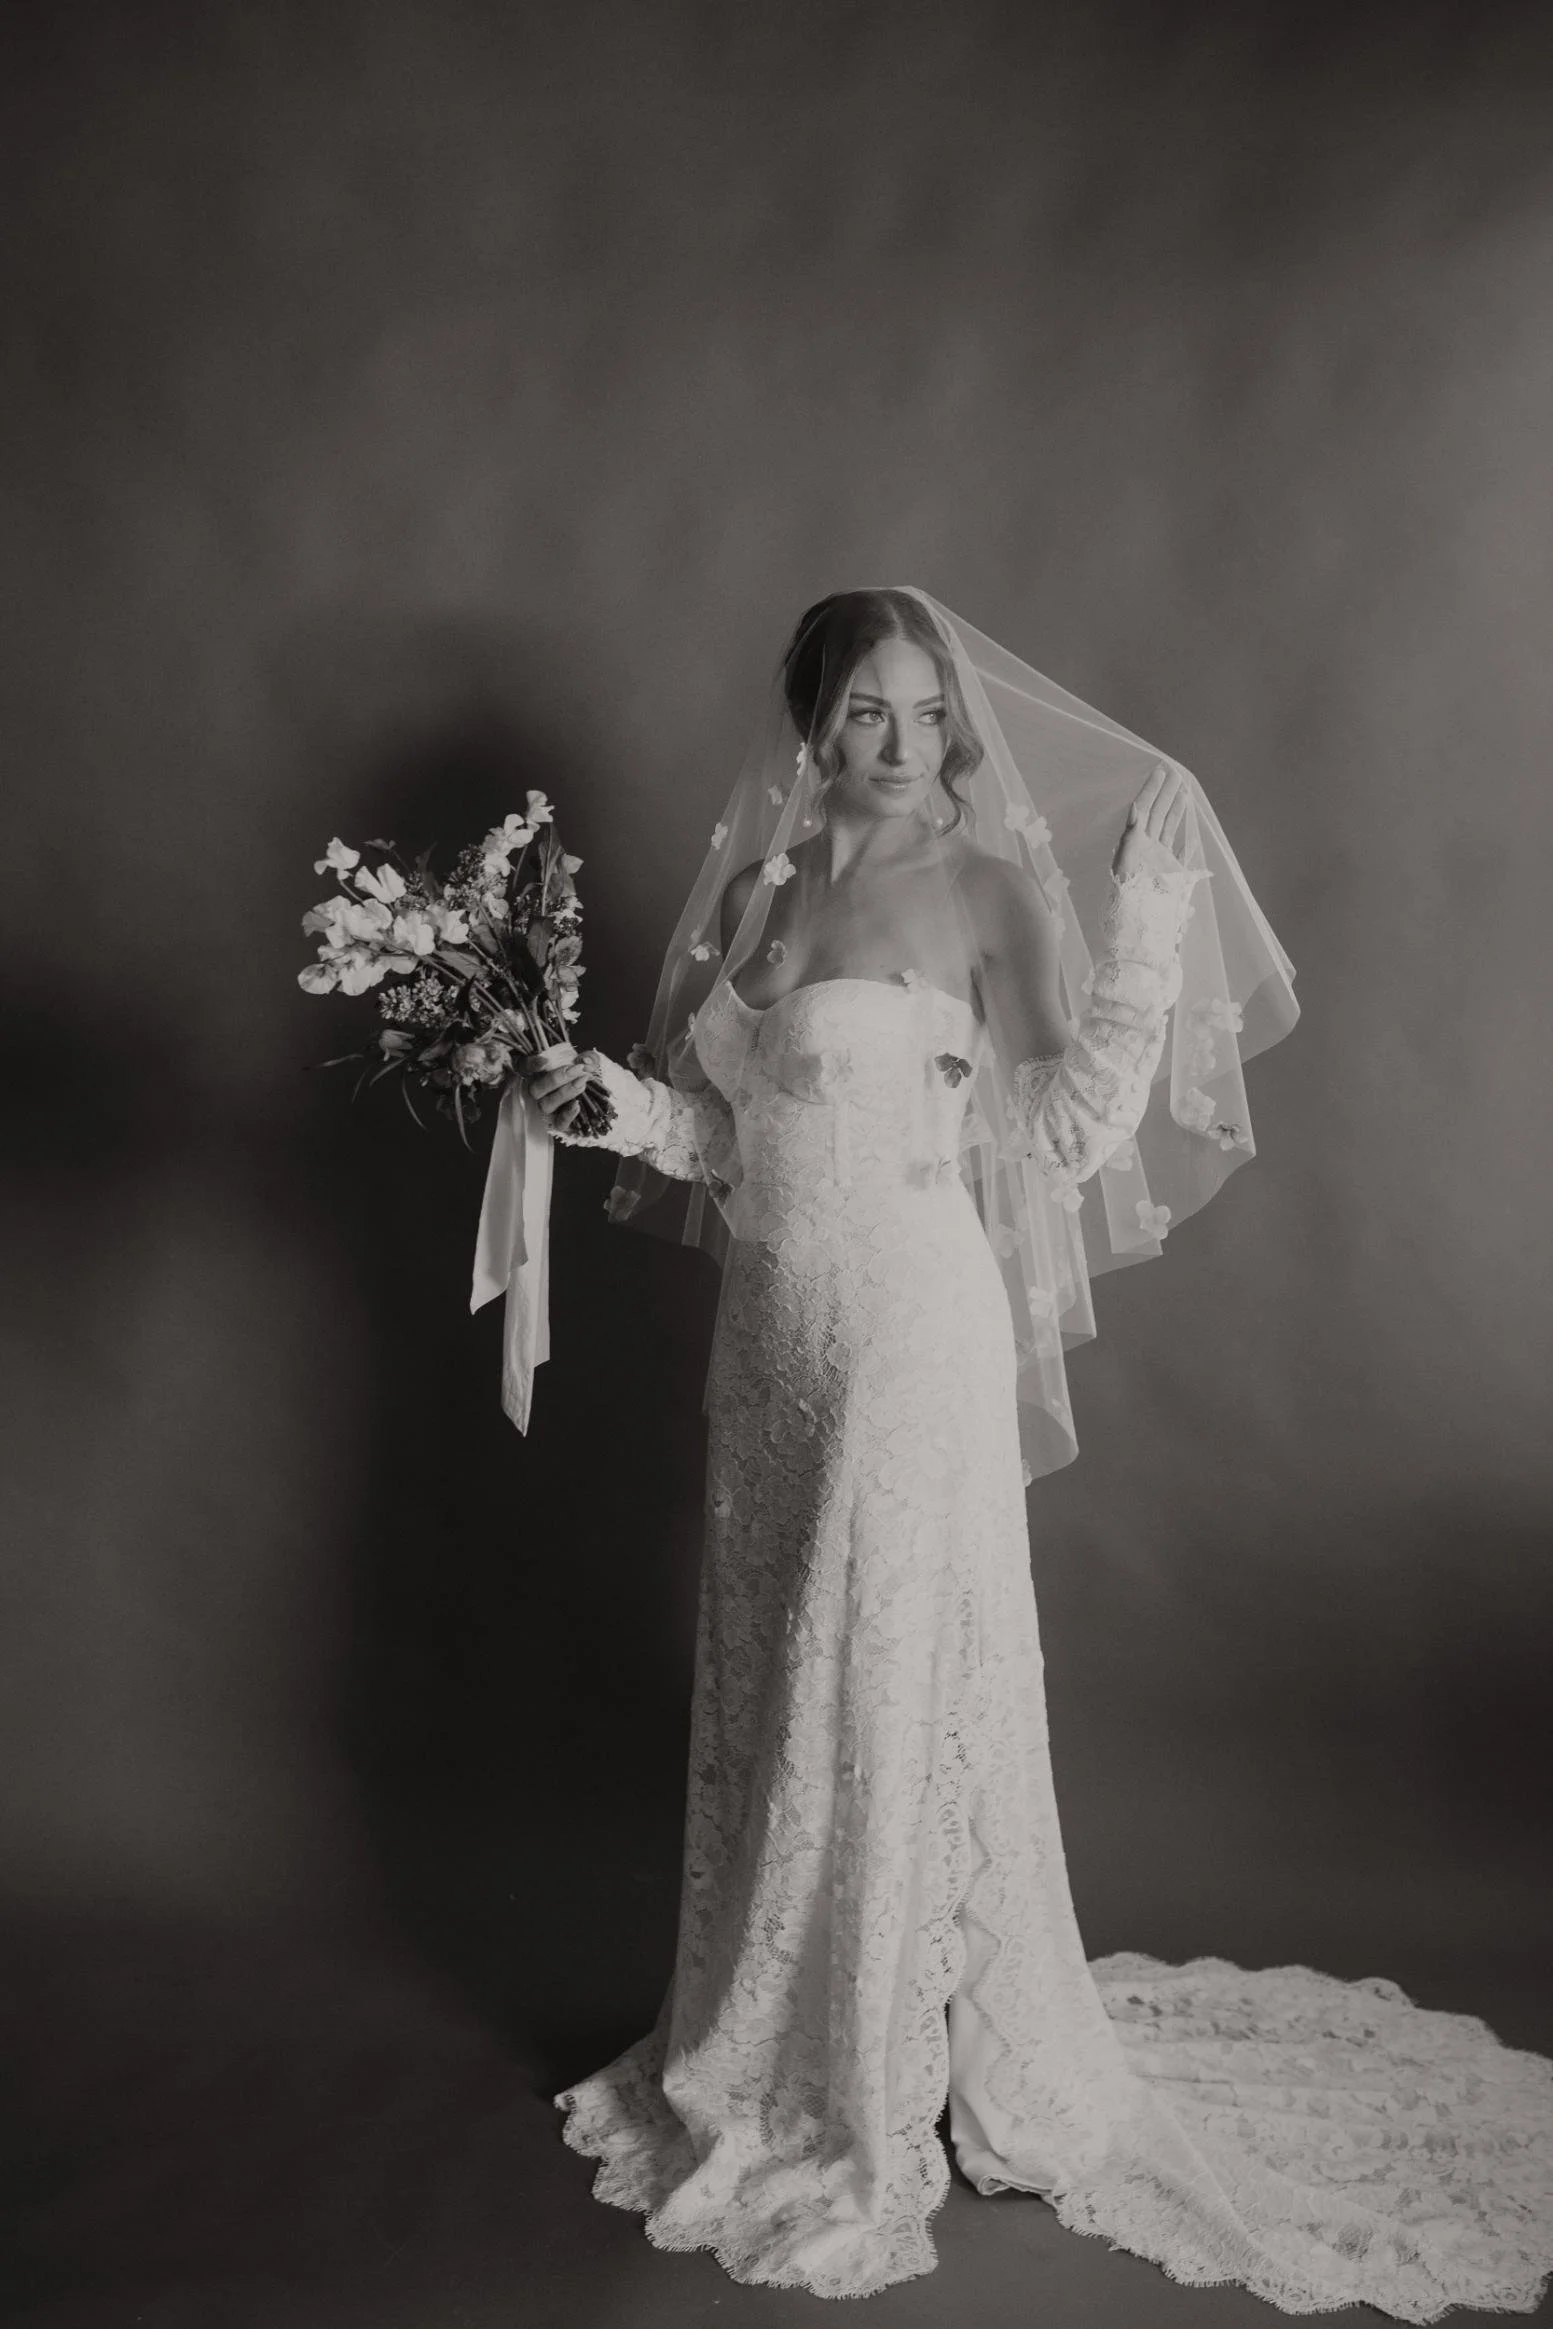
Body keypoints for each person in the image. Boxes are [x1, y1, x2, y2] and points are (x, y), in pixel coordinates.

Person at [517, 590, 1553, 2309]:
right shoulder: (772, 897)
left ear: (959, 729)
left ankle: (871, 2092)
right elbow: (723, 1135)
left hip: (917, 1328)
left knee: (883, 1682)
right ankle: (774, 2040)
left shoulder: (990, 889)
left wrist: (1147, 927)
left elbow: (1068, 1129)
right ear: (812, 725)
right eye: (867, 712)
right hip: (772, 1344)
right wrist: (601, 1104)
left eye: (928, 713)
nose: (904, 743)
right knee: (789, 1678)